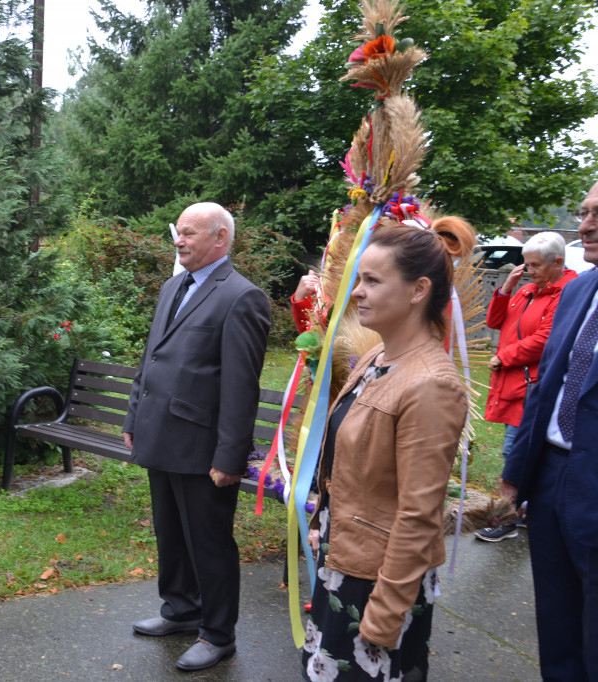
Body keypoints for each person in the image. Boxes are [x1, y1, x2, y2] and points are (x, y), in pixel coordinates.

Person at [302, 217, 475, 681]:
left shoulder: (431, 385)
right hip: (345, 563)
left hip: (379, 583)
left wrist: (386, 611)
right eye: (359, 279)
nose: (357, 292)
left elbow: (419, 514)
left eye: (372, 280)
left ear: (419, 290)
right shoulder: (379, 359)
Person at [122, 202, 271, 672]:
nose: (178, 241)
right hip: (159, 435)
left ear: (220, 237)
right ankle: (182, 611)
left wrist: (231, 455)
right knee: (170, 534)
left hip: (203, 447)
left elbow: (240, 387)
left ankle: (218, 634)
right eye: (178, 233)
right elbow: (151, 359)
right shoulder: (173, 286)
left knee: (209, 542)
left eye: (188, 233)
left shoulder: (242, 297)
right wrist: (132, 419)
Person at [500, 181, 598, 681]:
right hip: (551, 478)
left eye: (597, 214)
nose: (585, 226)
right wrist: (518, 474)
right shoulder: (583, 288)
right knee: (557, 624)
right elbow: (549, 383)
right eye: (584, 213)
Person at [476, 232, 576, 542]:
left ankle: (507, 518)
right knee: (521, 450)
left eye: (534, 265)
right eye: (526, 264)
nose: (528, 271)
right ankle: (527, 513)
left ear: (557, 263)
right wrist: (506, 289)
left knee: (515, 450)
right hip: (516, 382)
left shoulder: (566, 292)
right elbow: (495, 322)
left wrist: (503, 356)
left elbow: (546, 339)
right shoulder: (528, 290)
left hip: (534, 386)